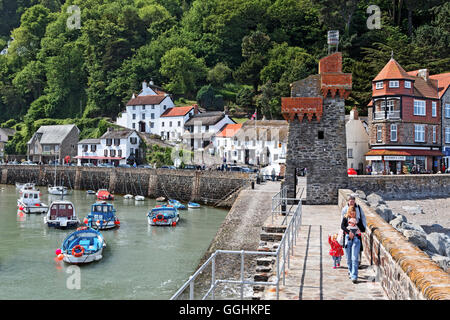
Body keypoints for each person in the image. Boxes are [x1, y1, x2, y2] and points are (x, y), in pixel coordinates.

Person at [341, 205, 366, 284]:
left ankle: (354, 276)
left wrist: (357, 223)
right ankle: (350, 271)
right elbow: (342, 227)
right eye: (351, 212)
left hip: (356, 239)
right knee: (348, 258)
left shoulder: (358, 219)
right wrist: (349, 232)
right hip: (348, 238)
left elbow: (363, 229)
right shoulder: (345, 218)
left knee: (354, 258)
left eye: (354, 212)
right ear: (349, 212)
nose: (352, 213)